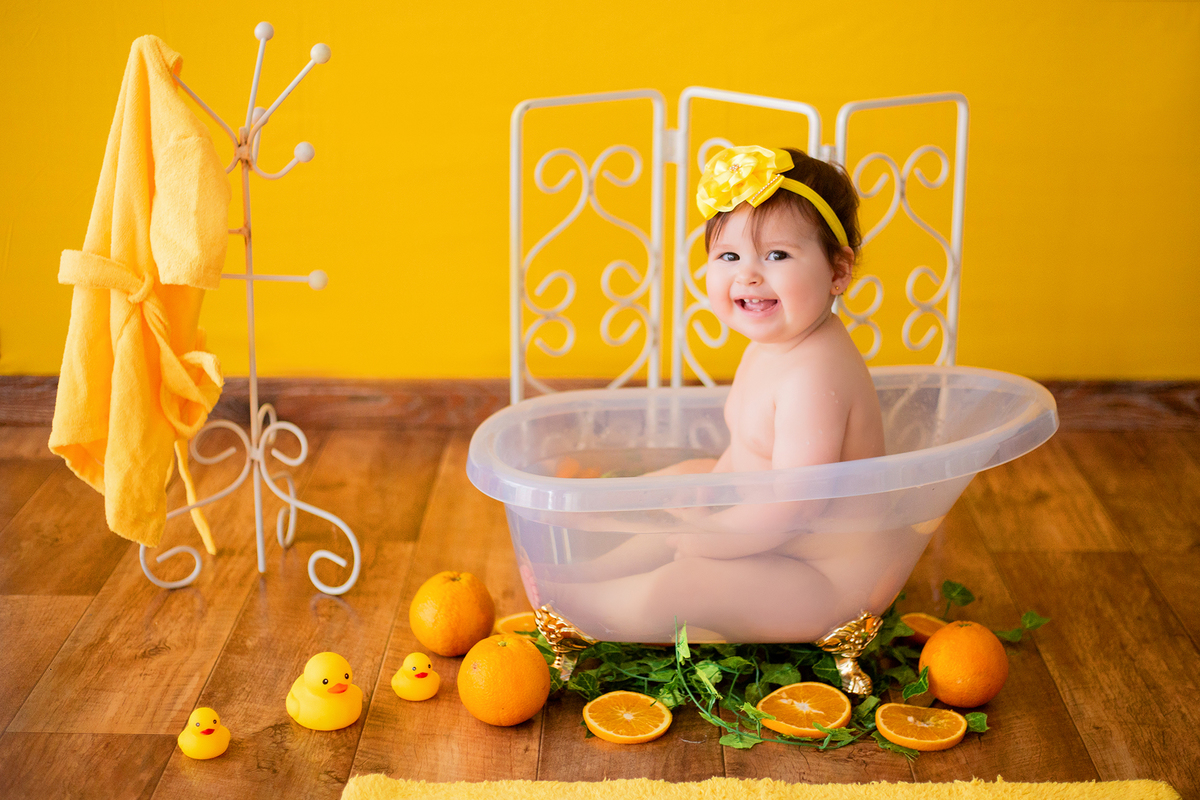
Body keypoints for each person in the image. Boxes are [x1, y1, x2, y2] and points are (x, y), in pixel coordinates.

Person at [545, 146, 888, 642]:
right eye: (729, 256)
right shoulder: (773, 345)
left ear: (838, 271)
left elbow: (797, 505)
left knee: (688, 581)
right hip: (769, 540)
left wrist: (713, 538)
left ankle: (580, 608)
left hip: (821, 583)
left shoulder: (816, 375)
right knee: (688, 483)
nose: (748, 274)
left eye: (777, 255)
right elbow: (747, 458)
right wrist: (699, 498)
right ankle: (592, 572)